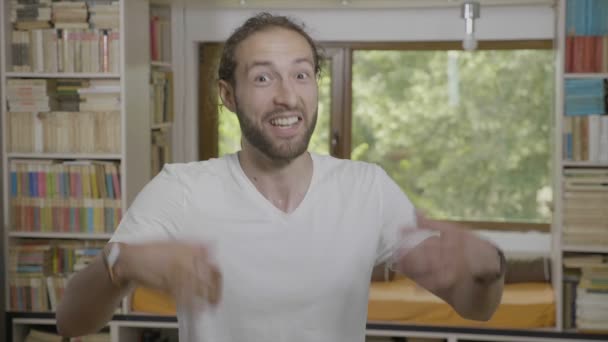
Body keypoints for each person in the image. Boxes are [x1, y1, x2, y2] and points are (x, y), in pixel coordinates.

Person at [57, 12, 505, 341]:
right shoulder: (181, 189)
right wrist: (121, 265)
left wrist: (487, 269)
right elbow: (72, 321)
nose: (287, 96)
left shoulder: (366, 187)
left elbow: (476, 309)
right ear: (228, 95)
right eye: (264, 78)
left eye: (302, 75)